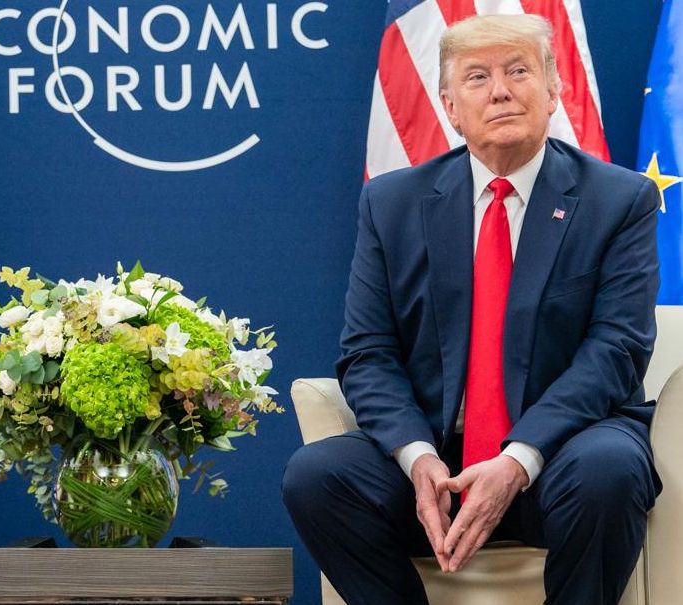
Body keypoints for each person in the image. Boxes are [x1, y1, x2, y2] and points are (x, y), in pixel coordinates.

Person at [283, 14, 660, 605]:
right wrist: (418, 458)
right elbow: (367, 354)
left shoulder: (619, 199)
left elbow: (616, 351)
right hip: (438, 464)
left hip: (563, 454)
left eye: (518, 71)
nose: (501, 90)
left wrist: (517, 459)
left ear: (554, 89)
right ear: (450, 105)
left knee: (610, 470)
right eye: (478, 76)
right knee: (318, 477)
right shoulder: (392, 203)